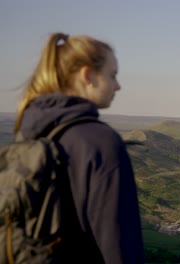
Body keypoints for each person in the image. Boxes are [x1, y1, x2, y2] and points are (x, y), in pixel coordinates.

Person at [14, 32, 144, 264]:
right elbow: (120, 247)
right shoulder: (99, 141)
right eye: (112, 75)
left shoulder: (28, 132)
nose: (118, 86)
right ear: (88, 75)